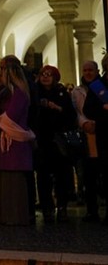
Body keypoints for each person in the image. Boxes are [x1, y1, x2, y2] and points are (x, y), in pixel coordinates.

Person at [0, 56, 36, 226]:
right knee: (8, 178)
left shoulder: (19, 94)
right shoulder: (13, 93)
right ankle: (7, 215)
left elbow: (10, 118)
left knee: (15, 181)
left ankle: (14, 216)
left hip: (15, 143)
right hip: (9, 143)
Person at [34, 64, 77, 223]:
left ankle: (62, 206)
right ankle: (47, 207)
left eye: (49, 74)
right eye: (43, 74)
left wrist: (57, 108)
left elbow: (70, 116)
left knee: (62, 175)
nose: (45, 77)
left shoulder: (62, 93)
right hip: (42, 140)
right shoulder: (35, 93)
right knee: (43, 176)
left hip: (58, 141)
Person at [72, 60, 108, 223]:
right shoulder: (94, 88)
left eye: (90, 70)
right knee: (89, 174)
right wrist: (86, 122)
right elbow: (84, 109)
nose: (87, 73)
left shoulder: (99, 85)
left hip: (101, 132)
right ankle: (92, 210)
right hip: (89, 132)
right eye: (84, 70)